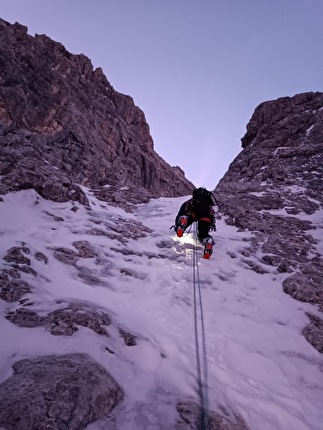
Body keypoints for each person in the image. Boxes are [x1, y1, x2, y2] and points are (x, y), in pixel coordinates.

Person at [174, 187, 217, 259]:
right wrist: (211, 224)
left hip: (193, 212)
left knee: (187, 217)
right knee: (203, 234)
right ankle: (208, 241)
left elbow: (181, 210)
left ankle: (183, 222)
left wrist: (178, 224)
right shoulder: (207, 205)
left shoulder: (191, 201)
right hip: (206, 215)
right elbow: (211, 217)